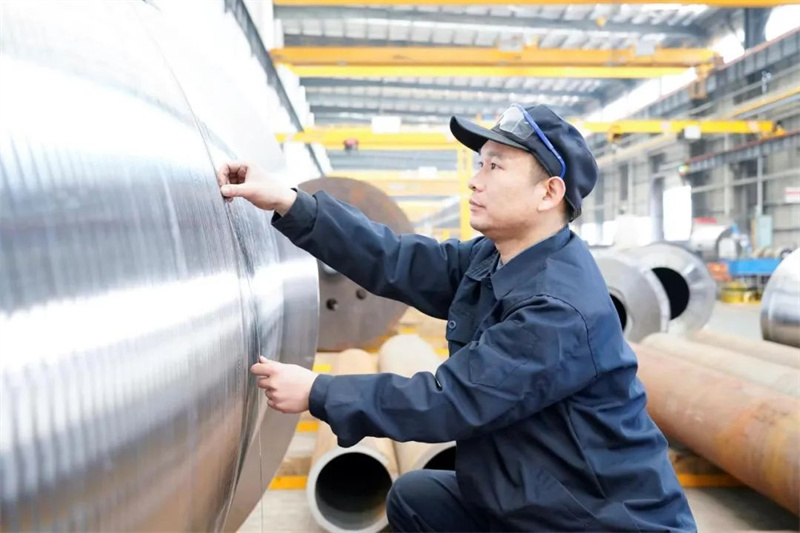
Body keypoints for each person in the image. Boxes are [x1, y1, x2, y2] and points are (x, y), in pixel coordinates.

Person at [218, 104, 697, 532]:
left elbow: (451, 401)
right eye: (479, 163)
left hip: (600, 519)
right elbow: (395, 259)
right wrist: (289, 202)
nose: (475, 179)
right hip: (535, 496)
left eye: (495, 166)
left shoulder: (558, 309)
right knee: (417, 498)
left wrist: (319, 392)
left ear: (549, 193)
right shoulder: (496, 258)